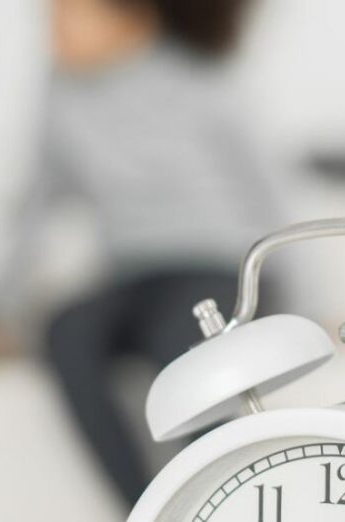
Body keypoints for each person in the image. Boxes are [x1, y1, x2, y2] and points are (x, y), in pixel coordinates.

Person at [25, 0, 280, 506]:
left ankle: (228, 504)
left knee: (181, 347)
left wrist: (313, 303)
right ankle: (147, 509)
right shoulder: (61, 93)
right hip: (131, 275)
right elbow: (29, 202)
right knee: (65, 331)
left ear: (130, 16)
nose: (49, 32)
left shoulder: (201, 77)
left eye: (66, 16)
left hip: (214, 266)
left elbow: (273, 194)